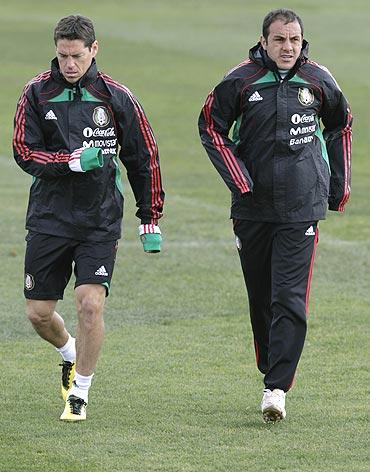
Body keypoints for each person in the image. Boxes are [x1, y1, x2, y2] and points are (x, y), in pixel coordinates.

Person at [198, 8, 352, 423]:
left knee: (289, 297)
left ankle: (276, 388)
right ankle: (271, 368)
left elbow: (341, 125)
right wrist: (239, 179)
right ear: (264, 42)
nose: (288, 47)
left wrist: (339, 184)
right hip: (252, 208)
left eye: (294, 40)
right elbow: (211, 127)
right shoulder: (239, 80)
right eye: (280, 40)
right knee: (262, 299)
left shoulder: (319, 80)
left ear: (303, 43)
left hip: (302, 206)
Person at [13, 15, 165, 421]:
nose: (69, 64)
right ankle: (69, 352)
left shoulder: (116, 97)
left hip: (100, 218)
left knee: (89, 305)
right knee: (38, 313)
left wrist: (149, 216)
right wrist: (69, 162)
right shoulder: (35, 94)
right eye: (62, 55)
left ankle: (79, 392)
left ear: (94, 50)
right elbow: (24, 152)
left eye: (77, 55)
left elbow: (143, 157)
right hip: (49, 216)